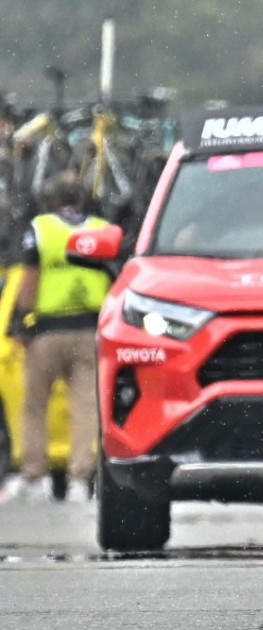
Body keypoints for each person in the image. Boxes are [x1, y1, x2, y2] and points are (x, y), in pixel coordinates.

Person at [0, 170, 111, 503]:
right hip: (89, 331)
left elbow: (29, 279)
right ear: (83, 198)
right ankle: (80, 480)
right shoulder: (102, 230)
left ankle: (36, 476)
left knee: (34, 406)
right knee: (85, 407)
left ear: (51, 199)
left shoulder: (41, 229)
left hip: (47, 332)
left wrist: (20, 323)